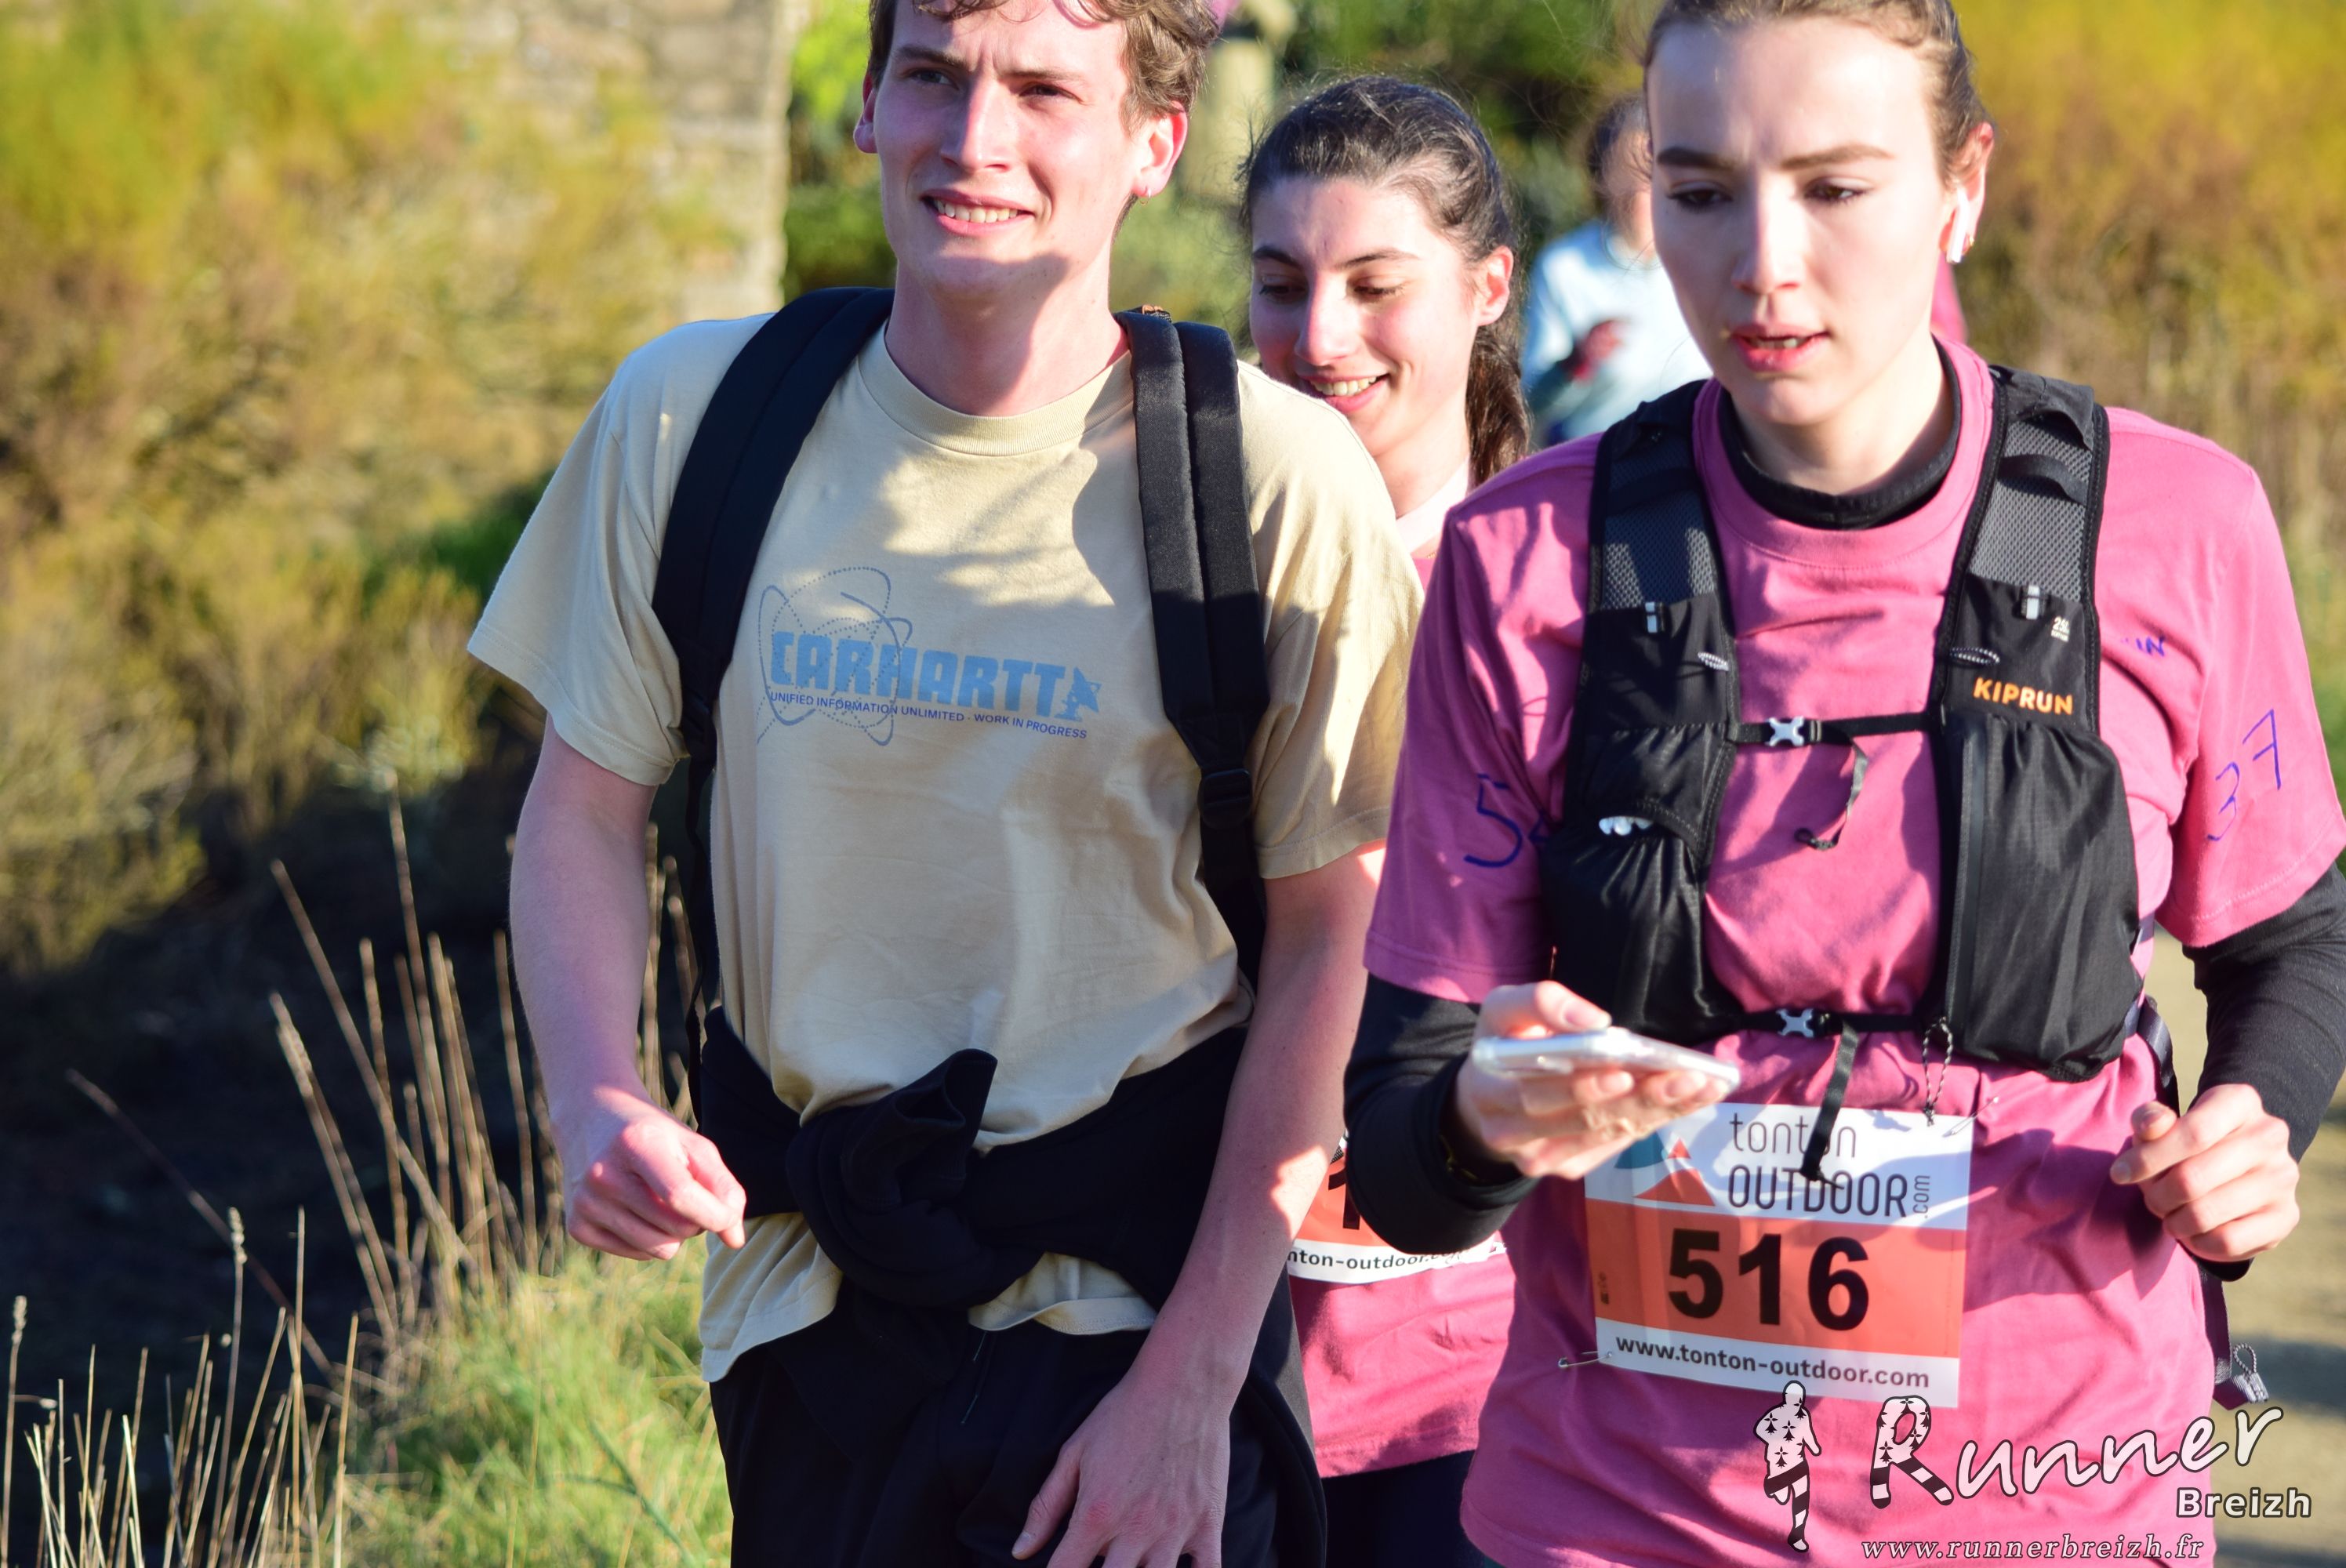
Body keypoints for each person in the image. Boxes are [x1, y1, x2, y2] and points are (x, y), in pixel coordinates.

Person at [1342, 2, 2346, 1563]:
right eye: (1697, 190)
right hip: (1614, 1515)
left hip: (2057, 1500)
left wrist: (2247, 1121)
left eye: (1833, 186)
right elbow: (1406, 1163)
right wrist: (1483, 1117)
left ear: (1961, 186)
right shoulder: (1520, 556)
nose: (1760, 262)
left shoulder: (2176, 524)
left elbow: (2291, 935)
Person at [469, 0, 1422, 1562]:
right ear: (867, 105)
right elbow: (582, 806)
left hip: (1129, 1326)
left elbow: (1339, 935)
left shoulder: (1270, 480)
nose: (974, 141)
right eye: (931, 76)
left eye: (1043, 90)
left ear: (1154, 143)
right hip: (806, 1328)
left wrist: (1192, 1387)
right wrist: (595, 1099)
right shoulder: (694, 419)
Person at [1240, 75, 1525, 1567]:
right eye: (1281, 283)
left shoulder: (1572, 598)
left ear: (1487, 289)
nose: (1320, 335)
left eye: (1373, 284)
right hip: (1187, 1351)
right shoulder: (1166, 572)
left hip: (1475, 1384)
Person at [1517, 96, 1708, 448]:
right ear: (1600, 177)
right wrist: (1575, 363)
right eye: (1625, 170)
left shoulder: (1706, 253)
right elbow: (1530, 403)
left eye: (1651, 169)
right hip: (1603, 462)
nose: (1639, 188)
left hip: (1699, 455)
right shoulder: (1564, 267)